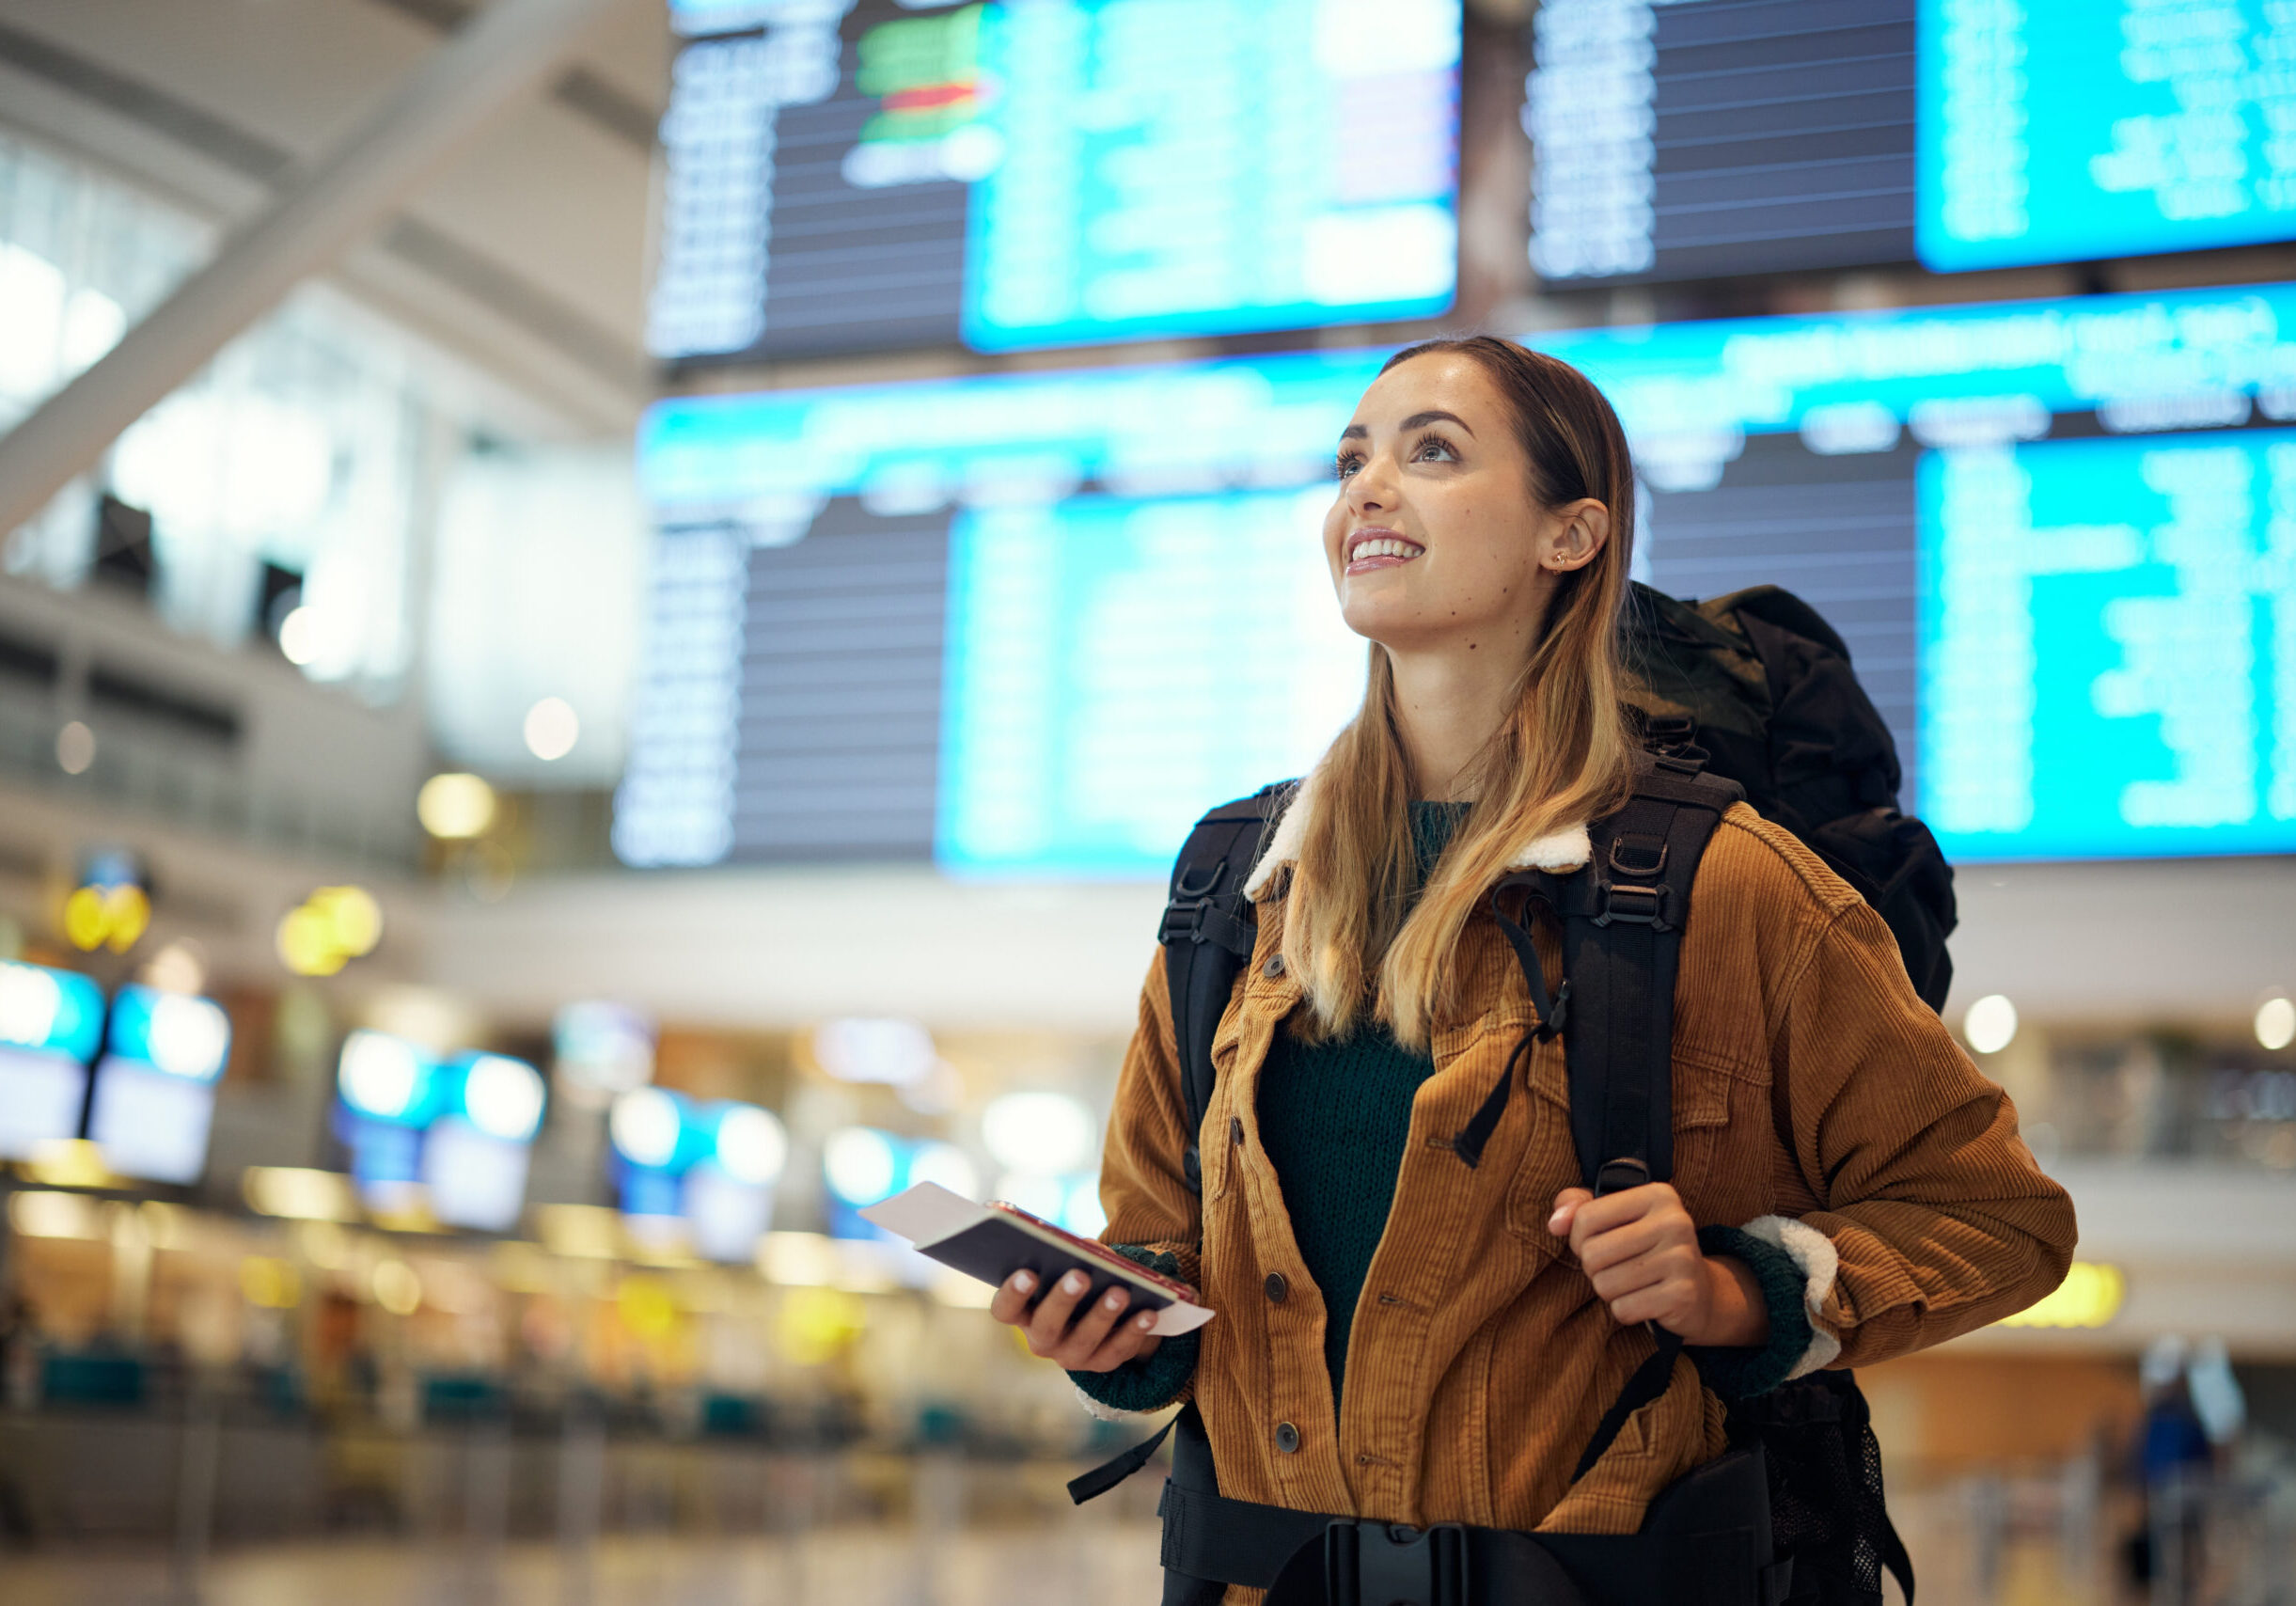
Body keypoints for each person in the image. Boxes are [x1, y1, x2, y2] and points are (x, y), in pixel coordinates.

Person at [986, 336, 2078, 1600]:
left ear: (1571, 536)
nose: (1366, 491)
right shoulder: (1239, 889)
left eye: (1430, 453)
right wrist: (1117, 1334)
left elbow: (1995, 1219)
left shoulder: (1727, 885)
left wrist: (1738, 1291)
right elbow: (1161, 1247)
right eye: (1353, 460)